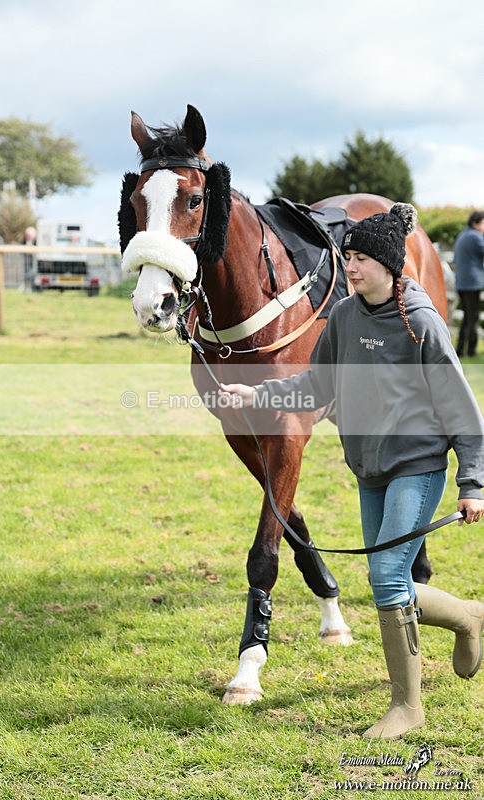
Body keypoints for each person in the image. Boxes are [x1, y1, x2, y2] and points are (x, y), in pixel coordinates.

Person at [219, 203, 484, 739]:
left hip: (418, 465)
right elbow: (316, 385)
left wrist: (473, 482)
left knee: (387, 579)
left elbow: (461, 406)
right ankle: (468, 616)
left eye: (360, 258)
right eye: (349, 257)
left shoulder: (421, 322)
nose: (351, 266)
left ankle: (407, 707)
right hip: (369, 467)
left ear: (388, 264)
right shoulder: (342, 316)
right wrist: (257, 393)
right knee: (391, 582)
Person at [453, 210, 484, 357]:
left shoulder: (463, 234)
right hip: (472, 283)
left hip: (462, 282)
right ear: (475, 223)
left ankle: (460, 350)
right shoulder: (475, 236)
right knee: (472, 318)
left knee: (467, 318)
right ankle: (471, 351)